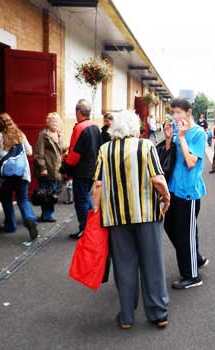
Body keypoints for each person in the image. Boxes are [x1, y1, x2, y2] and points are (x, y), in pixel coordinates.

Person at [92, 110, 171, 329]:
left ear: (114, 129)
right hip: (146, 215)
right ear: (134, 128)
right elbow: (157, 179)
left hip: (116, 218)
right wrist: (166, 198)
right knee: (152, 263)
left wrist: (96, 212)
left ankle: (127, 316)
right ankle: (158, 314)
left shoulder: (105, 150)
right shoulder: (145, 146)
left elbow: (98, 185)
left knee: (124, 265)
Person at [164, 97, 208, 290]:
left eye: (178, 112)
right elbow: (170, 159)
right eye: (173, 112)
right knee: (170, 227)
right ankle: (194, 257)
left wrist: (181, 137)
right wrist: (168, 139)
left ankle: (192, 275)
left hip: (188, 192)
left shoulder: (198, 133)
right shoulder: (177, 132)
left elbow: (191, 163)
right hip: (174, 188)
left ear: (188, 112)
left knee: (185, 233)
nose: (175, 116)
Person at [0, 113, 38, 240]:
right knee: (22, 199)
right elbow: (30, 152)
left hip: (6, 176)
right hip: (22, 173)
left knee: (6, 199)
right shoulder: (19, 134)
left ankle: (10, 225)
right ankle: (30, 219)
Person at [64, 99, 102, 239]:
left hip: (81, 170)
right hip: (93, 168)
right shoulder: (95, 127)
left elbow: (74, 152)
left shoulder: (79, 128)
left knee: (81, 200)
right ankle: (93, 225)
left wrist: (66, 166)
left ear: (78, 112)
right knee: (87, 196)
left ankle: (84, 228)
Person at [34, 112, 64, 222]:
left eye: (56, 121)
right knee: (47, 192)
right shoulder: (43, 134)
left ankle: (47, 213)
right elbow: (38, 152)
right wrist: (43, 168)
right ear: (48, 122)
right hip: (47, 168)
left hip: (56, 169)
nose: (54, 123)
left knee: (52, 192)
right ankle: (47, 215)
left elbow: (59, 150)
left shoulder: (59, 134)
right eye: (52, 121)